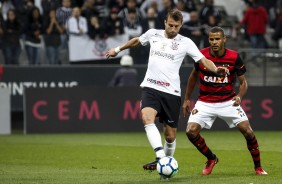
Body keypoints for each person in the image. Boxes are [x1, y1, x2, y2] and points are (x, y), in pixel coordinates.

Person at [106, 9, 229, 173]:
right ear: (165, 22)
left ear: (181, 25)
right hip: (151, 87)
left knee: (170, 136)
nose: (172, 29)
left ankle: (165, 168)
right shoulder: (153, 34)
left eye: (176, 26)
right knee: (146, 117)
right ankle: (161, 158)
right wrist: (117, 49)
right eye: (170, 25)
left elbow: (203, 60)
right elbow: (136, 40)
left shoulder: (186, 42)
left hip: (171, 93)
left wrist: (215, 70)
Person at [182, 26, 268, 175]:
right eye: (211, 39)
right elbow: (193, 77)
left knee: (247, 131)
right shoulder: (201, 55)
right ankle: (211, 158)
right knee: (190, 131)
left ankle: (258, 167)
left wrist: (239, 96)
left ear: (224, 40)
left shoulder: (234, 57)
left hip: (228, 101)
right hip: (205, 102)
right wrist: (187, 99)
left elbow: (243, 83)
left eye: (217, 39)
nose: (214, 42)